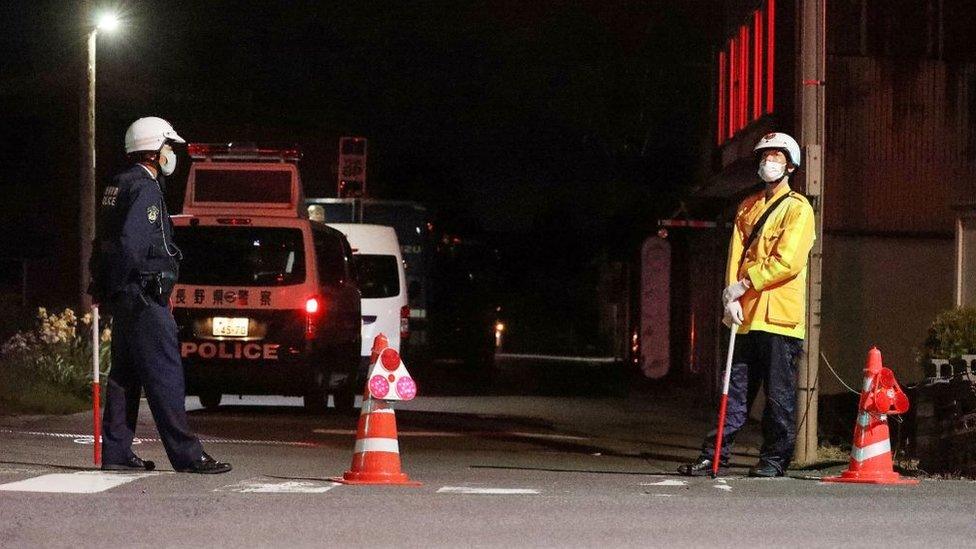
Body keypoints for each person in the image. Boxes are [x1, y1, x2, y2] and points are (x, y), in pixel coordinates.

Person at [90, 117, 231, 474]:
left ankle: (118, 451)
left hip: (124, 296)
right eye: (169, 147)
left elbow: (103, 243)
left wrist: (103, 288)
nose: (172, 154)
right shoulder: (146, 188)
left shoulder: (117, 185)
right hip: (143, 297)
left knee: (125, 375)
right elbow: (131, 246)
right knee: (165, 374)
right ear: (154, 151)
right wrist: (129, 287)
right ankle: (187, 454)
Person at [678, 132, 815, 478]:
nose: (769, 162)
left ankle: (773, 460)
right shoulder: (747, 206)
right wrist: (730, 295)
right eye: (765, 156)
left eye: (777, 157)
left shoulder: (798, 209)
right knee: (733, 392)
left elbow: (788, 262)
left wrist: (746, 283)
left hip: (780, 321)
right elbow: (735, 255)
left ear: (791, 166)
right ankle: (714, 455)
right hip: (746, 317)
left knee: (778, 398)